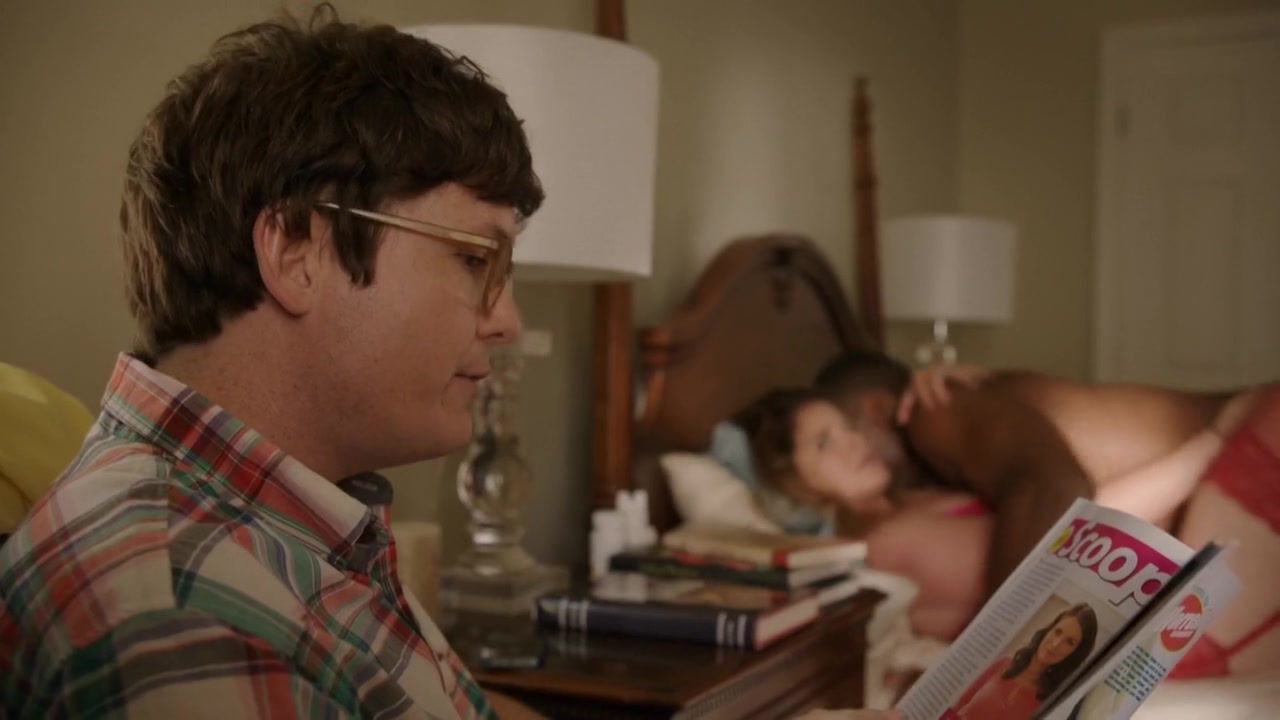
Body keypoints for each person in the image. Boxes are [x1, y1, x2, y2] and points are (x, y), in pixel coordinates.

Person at [737, 351, 1277, 667]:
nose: (854, 441)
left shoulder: (933, 432)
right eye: (825, 443)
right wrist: (1213, 442)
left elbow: (1076, 520)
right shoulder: (881, 538)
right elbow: (1082, 533)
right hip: (1217, 495)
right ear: (800, 490)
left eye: (845, 427)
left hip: (1230, 476)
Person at [950, 603, 1099, 720]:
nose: (1055, 644)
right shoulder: (1004, 663)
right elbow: (960, 704)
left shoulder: (1054, 700)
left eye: (1069, 642)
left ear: (1075, 653)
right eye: (1057, 632)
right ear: (1049, 629)